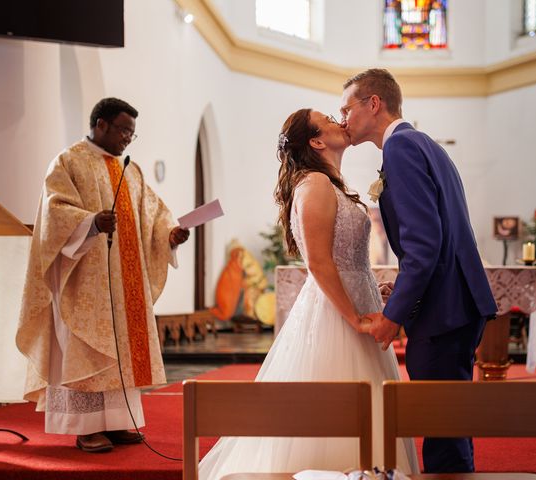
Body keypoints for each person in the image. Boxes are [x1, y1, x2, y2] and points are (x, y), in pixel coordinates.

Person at [198, 109, 419, 479]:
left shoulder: (327, 183)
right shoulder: (314, 184)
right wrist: (355, 319)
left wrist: (369, 289)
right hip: (337, 318)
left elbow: (345, 260)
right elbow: (319, 263)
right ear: (316, 141)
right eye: (330, 119)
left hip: (354, 301)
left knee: (366, 402)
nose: (340, 121)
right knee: (338, 404)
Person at [341, 69, 497, 473]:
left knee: (441, 425)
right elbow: (438, 235)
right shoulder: (423, 143)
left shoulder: (401, 149)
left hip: (444, 311)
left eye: (347, 107)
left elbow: (424, 246)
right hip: (456, 300)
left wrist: (393, 317)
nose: (342, 118)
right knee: (450, 421)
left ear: (373, 103)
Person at [16, 97, 189, 453]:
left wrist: (169, 233)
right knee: (87, 350)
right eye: (124, 130)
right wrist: (90, 222)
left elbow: (153, 214)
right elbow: (54, 212)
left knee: (122, 351)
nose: (128, 138)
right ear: (101, 125)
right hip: (82, 280)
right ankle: (86, 427)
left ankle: (118, 421)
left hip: (125, 284)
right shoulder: (68, 162)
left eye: (132, 133)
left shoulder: (131, 169)